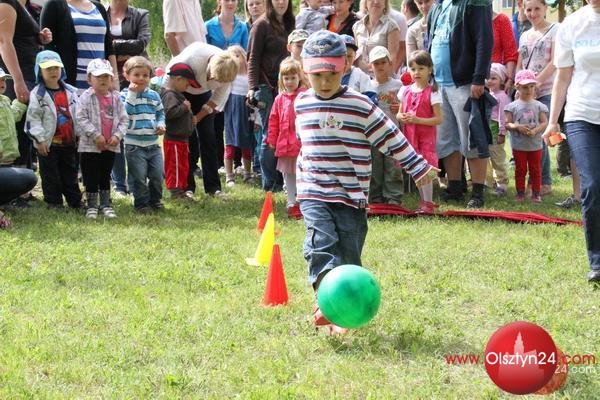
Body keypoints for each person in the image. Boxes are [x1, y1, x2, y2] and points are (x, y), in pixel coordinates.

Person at [296, 31, 436, 334]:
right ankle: (326, 304)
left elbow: (390, 137)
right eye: (317, 75)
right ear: (305, 71)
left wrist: (416, 165)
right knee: (320, 244)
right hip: (314, 190)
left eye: (331, 74)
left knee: (349, 256)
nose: (324, 82)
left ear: (345, 67)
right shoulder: (301, 103)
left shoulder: (360, 105)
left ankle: (345, 310)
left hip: (351, 195)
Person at [542, 0, 600, 283]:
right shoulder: (572, 24)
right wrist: (553, 120)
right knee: (593, 185)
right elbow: (562, 77)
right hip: (581, 115)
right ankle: (598, 262)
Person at [427, 0, 493, 208]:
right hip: (439, 84)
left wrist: (479, 77)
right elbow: (429, 40)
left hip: (465, 83)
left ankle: (478, 192)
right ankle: (455, 187)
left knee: (472, 138)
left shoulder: (475, 2)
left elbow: (484, 39)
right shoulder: (437, 5)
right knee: (447, 140)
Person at [165, 43, 239, 197]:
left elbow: (216, 98)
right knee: (187, 140)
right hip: (182, 93)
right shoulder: (192, 58)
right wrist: (172, 104)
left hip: (204, 96)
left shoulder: (228, 71)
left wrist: (197, 117)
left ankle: (213, 187)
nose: (212, 80)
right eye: (212, 76)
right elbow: (169, 79)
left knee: (209, 138)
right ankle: (187, 187)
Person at [247, 0, 295, 192]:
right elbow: (252, 58)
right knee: (270, 134)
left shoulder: (290, 23)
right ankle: (270, 183)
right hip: (266, 87)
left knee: (286, 132)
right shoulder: (261, 24)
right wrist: (252, 87)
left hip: (287, 86)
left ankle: (283, 179)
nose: (281, 2)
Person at [25, 50, 82, 210]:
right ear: (39, 71)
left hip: (69, 142)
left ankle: (75, 201)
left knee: (70, 173)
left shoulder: (71, 92)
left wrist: (79, 134)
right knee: (51, 175)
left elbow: (78, 115)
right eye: (48, 68)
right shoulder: (38, 94)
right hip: (48, 145)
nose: (53, 71)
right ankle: (54, 202)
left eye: (56, 67)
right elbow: (33, 119)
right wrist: (39, 140)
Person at [0, 0, 52, 172]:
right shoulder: (7, 2)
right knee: (14, 132)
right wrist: (18, 80)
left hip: (30, 75)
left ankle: (24, 179)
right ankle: (13, 180)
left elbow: (20, 36)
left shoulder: (28, 6)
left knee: (26, 132)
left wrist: (39, 37)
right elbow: (3, 42)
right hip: (14, 78)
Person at [107, 0, 151, 197]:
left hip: (136, 78)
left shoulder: (140, 14)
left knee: (134, 131)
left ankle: (135, 183)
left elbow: (141, 44)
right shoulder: (100, 12)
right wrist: (122, 52)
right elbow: (101, 44)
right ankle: (119, 184)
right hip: (107, 79)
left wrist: (112, 48)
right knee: (115, 130)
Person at [76, 59, 128, 219]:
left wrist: (117, 136)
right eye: (98, 76)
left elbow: (124, 120)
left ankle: (106, 204)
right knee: (90, 175)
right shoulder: (85, 97)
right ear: (89, 79)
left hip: (110, 145)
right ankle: (92, 205)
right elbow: (81, 117)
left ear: (112, 79)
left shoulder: (116, 98)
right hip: (89, 146)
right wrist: (96, 135)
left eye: (106, 76)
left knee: (105, 174)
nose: (103, 80)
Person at [517, 0, 558, 197]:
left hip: (548, 90)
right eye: (529, 9)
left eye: (537, 9)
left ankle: (540, 182)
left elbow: (555, 61)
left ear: (545, 8)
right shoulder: (524, 35)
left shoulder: (555, 30)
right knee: (530, 135)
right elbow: (520, 63)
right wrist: (519, 85)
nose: (532, 13)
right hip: (525, 94)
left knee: (540, 135)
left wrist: (535, 84)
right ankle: (541, 181)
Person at [206, 0, 250, 173]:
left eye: (233, 0)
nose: (230, 3)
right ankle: (219, 162)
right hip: (215, 77)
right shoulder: (208, 26)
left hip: (236, 79)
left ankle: (238, 163)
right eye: (226, 0)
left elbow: (246, 53)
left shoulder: (242, 27)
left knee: (237, 121)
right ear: (219, 2)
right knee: (217, 121)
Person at [397, 50, 443, 213]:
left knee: (426, 168)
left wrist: (417, 120)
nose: (416, 72)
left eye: (421, 68)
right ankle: (424, 201)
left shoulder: (433, 92)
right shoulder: (405, 91)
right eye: (413, 69)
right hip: (411, 136)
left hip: (426, 138)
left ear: (429, 69)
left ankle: (428, 203)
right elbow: (399, 113)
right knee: (416, 168)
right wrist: (402, 117)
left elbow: (438, 119)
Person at [120, 56, 166, 213]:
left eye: (145, 75)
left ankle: (155, 200)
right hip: (134, 146)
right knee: (139, 177)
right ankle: (141, 204)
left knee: (157, 175)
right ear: (127, 76)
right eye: (136, 75)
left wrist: (161, 124)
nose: (141, 78)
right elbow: (125, 114)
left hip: (153, 144)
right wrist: (132, 95)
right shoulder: (123, 95)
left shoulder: (154, 95)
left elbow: (160, 113)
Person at [41, 0, 118, 91]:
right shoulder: (54, 5)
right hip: (71, 84)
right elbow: (47, 49)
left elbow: (109, 47)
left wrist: (114, 78)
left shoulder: (99, 7)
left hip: (101, 83)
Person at [266, 57, 306, 217]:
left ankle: (302, 200)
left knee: (302, 173)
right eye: (286, 78)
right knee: (287, 173)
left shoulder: (304, 96)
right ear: (281, 79)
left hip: (301, 144)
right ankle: (291, 201)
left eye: (293, 78)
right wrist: (272, 139)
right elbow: (273, 120)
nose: (289, 82)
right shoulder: (279, 99)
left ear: (299, 77)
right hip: (285, 144)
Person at [505, 69, 548, 203]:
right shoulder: (512, 106)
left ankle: (536, 194)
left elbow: (544, 122)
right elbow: (507, 124)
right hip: (519, 146)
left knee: (536, 169)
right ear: (517, 86)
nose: (529, 90)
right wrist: (517, 127)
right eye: (525, 87)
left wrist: (536, 131)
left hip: (535, 145)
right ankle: (520, 193)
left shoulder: (539, 106)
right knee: (520, 169)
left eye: (531, 86)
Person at [368, 46, 404, 205]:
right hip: (374, 133)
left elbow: (406, 106)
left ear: (390, 64)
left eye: (383, 62)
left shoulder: (398, 85)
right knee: (374, 166)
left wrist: (400, 108)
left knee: (393, 166)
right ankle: (375, 197)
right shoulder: (368, 86)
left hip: (393, 132)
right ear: (370, 66)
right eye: (376, 63)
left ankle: (393, 197)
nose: (380, 66)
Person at [160, 63, 195, 199]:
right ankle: (175, 192)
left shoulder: (177, 95)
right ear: (178, 79)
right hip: (173, 139)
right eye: (187, 83)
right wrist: (185, 108)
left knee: (182, 166)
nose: (188, 86)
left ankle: (181, 190)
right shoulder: (170, 95)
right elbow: (169, 113)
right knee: (174, 166)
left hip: (182, 139)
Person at [223, 46, 254, 187]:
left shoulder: (249, 76)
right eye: (232, 56)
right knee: (230, 143)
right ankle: (229, 176)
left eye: (237, 55)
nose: (235, 58)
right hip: (232, 111)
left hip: (246, 110)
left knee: (246, 143)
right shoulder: (230, 77)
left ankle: (248, 173)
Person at [353, 0, 401, 75]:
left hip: (382, 77)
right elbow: (356, 55)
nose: (376, 2)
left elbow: (392, 58)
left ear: (385, 4)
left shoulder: (391, 26)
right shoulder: (357, 26)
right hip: (360, 77)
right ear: (365, 3)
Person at [485, 63, 511, 197]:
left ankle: (502, 183)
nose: (490, 81)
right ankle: (489, 181)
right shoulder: (488, 94)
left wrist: (502, 132)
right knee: (486, 157)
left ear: (501, 80)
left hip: (496, 132)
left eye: (494, 78)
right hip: (486, 131)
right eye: (488, 78)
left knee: (497, 157)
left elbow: (503, 116)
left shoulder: (502, 96)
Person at [0, 68, 27, 167]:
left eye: (3, 80)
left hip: (9, 155)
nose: (2, 83)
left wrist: (20, 103)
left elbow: (12, 117)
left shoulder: (5, 100)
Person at [339, 35, 376, 102]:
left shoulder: (360, 76)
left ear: (355, 56)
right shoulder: (328, 73)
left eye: (349, 56)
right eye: (342, 55)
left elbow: (371, 100)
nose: (346, 60)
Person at [492, 11, 518, 94]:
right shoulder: (472, 20)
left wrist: (509, 79)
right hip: (476, 80)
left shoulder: (501, 19)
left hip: (498, 81)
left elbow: (510, 52)